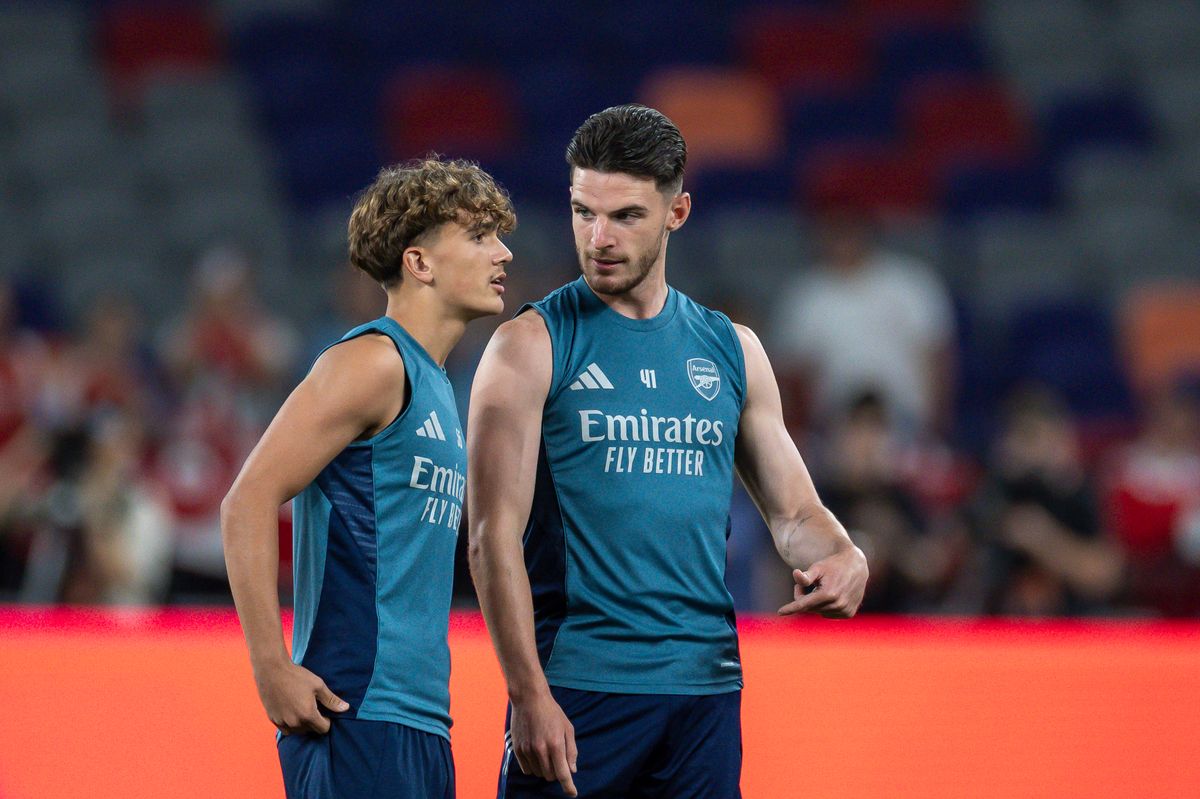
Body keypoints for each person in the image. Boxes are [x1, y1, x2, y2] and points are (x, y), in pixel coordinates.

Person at [467, 105, 868, 799]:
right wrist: (529, 694)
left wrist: (842, 554)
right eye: (582, 212)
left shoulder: (731, 349)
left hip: (703, 693)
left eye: (625, 216)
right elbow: (488, 537)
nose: (599, 238)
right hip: (579, 688)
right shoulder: (528, 347)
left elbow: (796, 512)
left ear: (677, 212)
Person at [221, 157, 515, 799]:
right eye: (479, 236)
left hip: (420, 722)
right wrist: (271, 668)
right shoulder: (372, 363)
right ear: (419, 262)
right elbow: (246, 502)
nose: (504, 253)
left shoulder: (436, 384)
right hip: (355, 709)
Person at [770, 207, 956, 439]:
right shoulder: (806, 295)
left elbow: (937, 356)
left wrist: (935, 424)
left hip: (905, 420)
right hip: (834, 425)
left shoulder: (910, 283)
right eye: (834, 231)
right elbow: (791, 375)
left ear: (866, 232)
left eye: (849, 230)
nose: (842, 241)